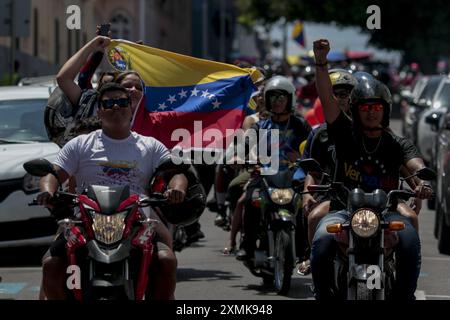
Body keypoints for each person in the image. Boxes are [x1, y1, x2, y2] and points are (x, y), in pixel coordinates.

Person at [36, 83, 187, 300]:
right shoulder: (80, 144)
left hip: (136, 223)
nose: (116, 107)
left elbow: (175, 173)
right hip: (84, 222)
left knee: (166, 261)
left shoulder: (150, 145)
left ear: (131, 107)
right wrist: (48, 191)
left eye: (122, 102)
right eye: (109, 103)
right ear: (99, 110)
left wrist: (176, 189)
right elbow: (53, 173)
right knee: (51, 264)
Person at [310, 39, 433, 300]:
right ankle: (323, 294)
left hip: (386, 211)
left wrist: (422, 183)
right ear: (355, 110)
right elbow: (327, 98)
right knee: (321, 240)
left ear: (385, 110)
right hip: (343, 209)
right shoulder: (344, 135)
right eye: (365, 108)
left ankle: (404, 294)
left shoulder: (396, 143)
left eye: (376, 108)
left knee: (409, 237)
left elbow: (414, 164)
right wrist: (321, 63)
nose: (371, 113)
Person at [235, 75, 311, 261]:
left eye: (281, 97)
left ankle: (305, 248)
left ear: (290, 99)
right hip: (265, 175)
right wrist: (238, 155)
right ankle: (247, 245)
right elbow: (246, 143)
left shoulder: (300, 125)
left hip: (294, 176)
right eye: (273, 97)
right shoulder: (260, 126)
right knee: (249, 200)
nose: (277, 102)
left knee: (306, 206)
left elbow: (313, 147)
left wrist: (302, 158)